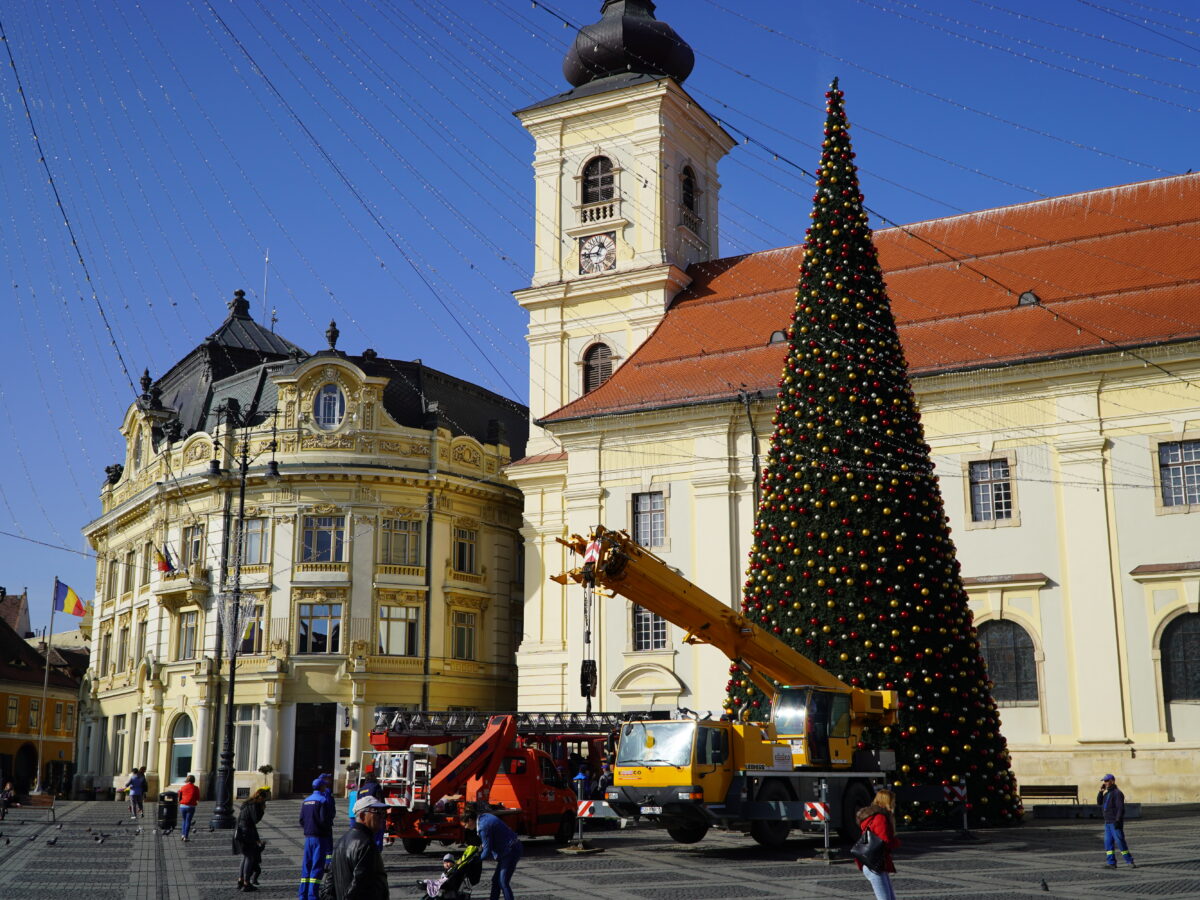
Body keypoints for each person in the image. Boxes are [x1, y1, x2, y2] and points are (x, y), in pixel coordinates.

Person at [322, 795, 389, 900]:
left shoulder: (341, 841)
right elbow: (359, 884)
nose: (382, 817)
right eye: (377, 812)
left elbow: (328, 887)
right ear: (362, 816)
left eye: (384, 813)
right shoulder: (366, 844)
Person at [460, 806, 521, 900]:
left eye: (465, 825)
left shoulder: (483, 827)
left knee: (503, 881)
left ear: (470, 820)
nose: (466, 828)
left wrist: (475, 860)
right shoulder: (483, 817)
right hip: (508, 849)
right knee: (496, 881)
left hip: (510, 851)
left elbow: (487, 850)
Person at [854, 788, 902, 900]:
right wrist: (896, 842)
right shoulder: (881, 818)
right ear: (887, 802)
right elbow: (884, 840)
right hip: (875, 864)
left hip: (871, 863)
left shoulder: (871, 816)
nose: (894, 804)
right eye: (893, 801)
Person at [299, 775, 336, 899]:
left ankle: (302, 895)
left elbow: (301, 820)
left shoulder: (306, 800)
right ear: (321, 787)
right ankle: (312, 895)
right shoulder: (323, 800)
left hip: (308, 836)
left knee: (306, 867)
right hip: (320, 837)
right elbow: (324, 819)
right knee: (317, 867)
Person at [234, 787, 270, 892]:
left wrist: (257, 838)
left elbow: (250, 823)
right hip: (246, 832)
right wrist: (262, 810)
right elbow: (255, 820)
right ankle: (246, 883)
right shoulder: (254, 805)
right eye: (265, 799)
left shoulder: (247, 803)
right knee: (249, 857)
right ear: (262, 798)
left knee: (245, 857)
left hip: (240, 830)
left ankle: (240, 880)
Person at [1098, 774, 1136, 868]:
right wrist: (1100, 792)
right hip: (1107, 822)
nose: (1105, 783)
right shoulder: (1107, 793)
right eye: (1104, 781)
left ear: (1113, 781)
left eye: (1107, 781)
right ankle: (1111, 863)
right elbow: (1099, 802)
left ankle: (1129, 861)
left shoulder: (1117, 793)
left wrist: (1118, 820)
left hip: (1114, 822)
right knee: (1108, 843)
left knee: (1120, 841)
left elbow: (1120, 808)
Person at [177, 774, 200, 842]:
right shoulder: (196, 788)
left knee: (184, 820)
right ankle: (186, 836)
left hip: (183, 806)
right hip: (191, 806)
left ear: (187, 780)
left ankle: (182, 835)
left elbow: (179, 796)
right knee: (188, 821)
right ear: (193, 780)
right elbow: (198, 798)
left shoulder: (183, 787)